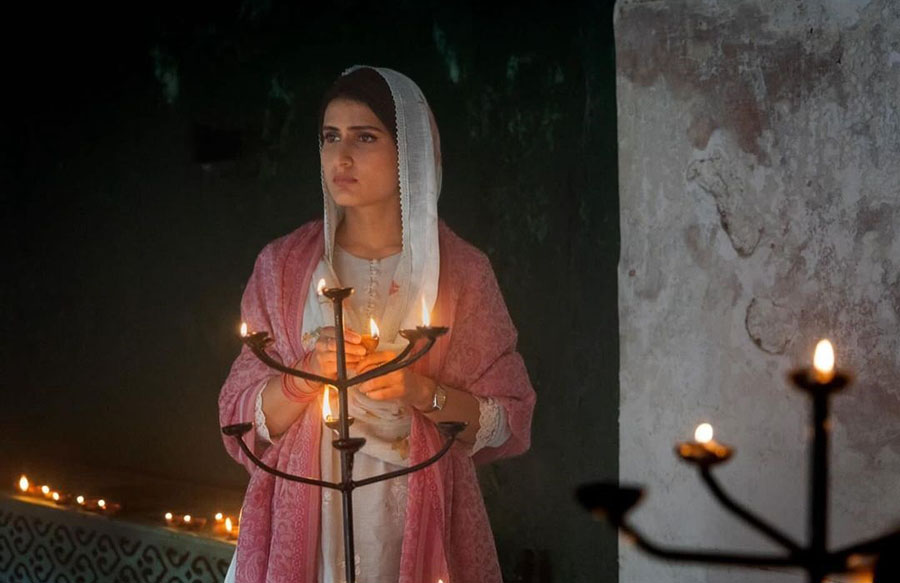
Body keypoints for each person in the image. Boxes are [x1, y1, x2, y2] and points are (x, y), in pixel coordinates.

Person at [219, 66, 536, 583]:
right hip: (305, 522)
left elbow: (506, 415)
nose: (340, 157)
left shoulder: (461, 272)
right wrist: (305, 375)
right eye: (329, 137)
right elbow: (240, 415)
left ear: (407, 149)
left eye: (364, 137)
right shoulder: (283, 267)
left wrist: (420, 390)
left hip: (413, 517)